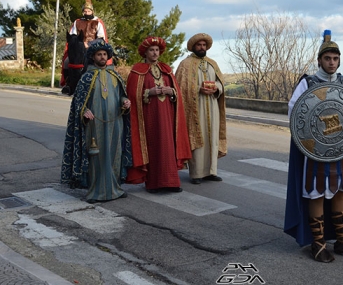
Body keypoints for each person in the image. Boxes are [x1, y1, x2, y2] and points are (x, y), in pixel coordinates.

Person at [284, 30, 343, 263]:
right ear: (319, 60)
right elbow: (295, 113)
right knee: (316, 193)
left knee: (339, 192)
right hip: (315, 151)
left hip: (340, 150)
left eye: (335, 59)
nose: (332, 63)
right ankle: (317, 243)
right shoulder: (307, 83)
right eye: (328, 59)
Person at [61, 40, 133, 203]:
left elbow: (121, 94)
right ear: (93, 57)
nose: (102, 57)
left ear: (108, 57)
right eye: (99, 54)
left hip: (115, 124)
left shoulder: (115, 75)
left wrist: (125, 101)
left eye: (104, 54)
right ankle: (95, 192)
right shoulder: (86, 77)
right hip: (95, 126)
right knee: (96, 157)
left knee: (115, 155)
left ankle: (115, 189)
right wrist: (84, 110)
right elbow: (78, 102)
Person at [126, 36, 192, 193]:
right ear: (146, 52)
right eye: (151, 50)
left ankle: (172, 182)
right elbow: (132, 95)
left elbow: (177, 95)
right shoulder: (137, 71)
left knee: (168, 146)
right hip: (149, 118)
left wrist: (172, 91)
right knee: (153, 147)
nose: (155, 53)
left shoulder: (166, 70)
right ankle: (154, 184)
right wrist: (149, 92)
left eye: (157, 50)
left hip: (167, 117)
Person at [175, 33, 227, 184]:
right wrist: (199, 88)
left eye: (204, 45)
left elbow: (220, 82)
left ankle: (211, 171)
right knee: (198, 138)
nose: (202, 47)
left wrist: (216, 88)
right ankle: (197, 174)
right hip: (194, 108)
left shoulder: (213, 63)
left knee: (212, 138)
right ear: (194, 47)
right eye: (199, 45)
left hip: (212, 105)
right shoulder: (185, 64)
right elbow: (180, 87)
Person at [61, 0, 108, 94]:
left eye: (88, 11)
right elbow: (73, 35)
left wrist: (89, 44)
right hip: (79, 49)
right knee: (66, 62)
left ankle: (101, 84)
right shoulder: (77, 22)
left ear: (92, 11)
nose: (86, 13)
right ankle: (68, 84)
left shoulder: (97, 22)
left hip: (93, 49)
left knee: (98, 62)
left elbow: (101, 38)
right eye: (85, 11)